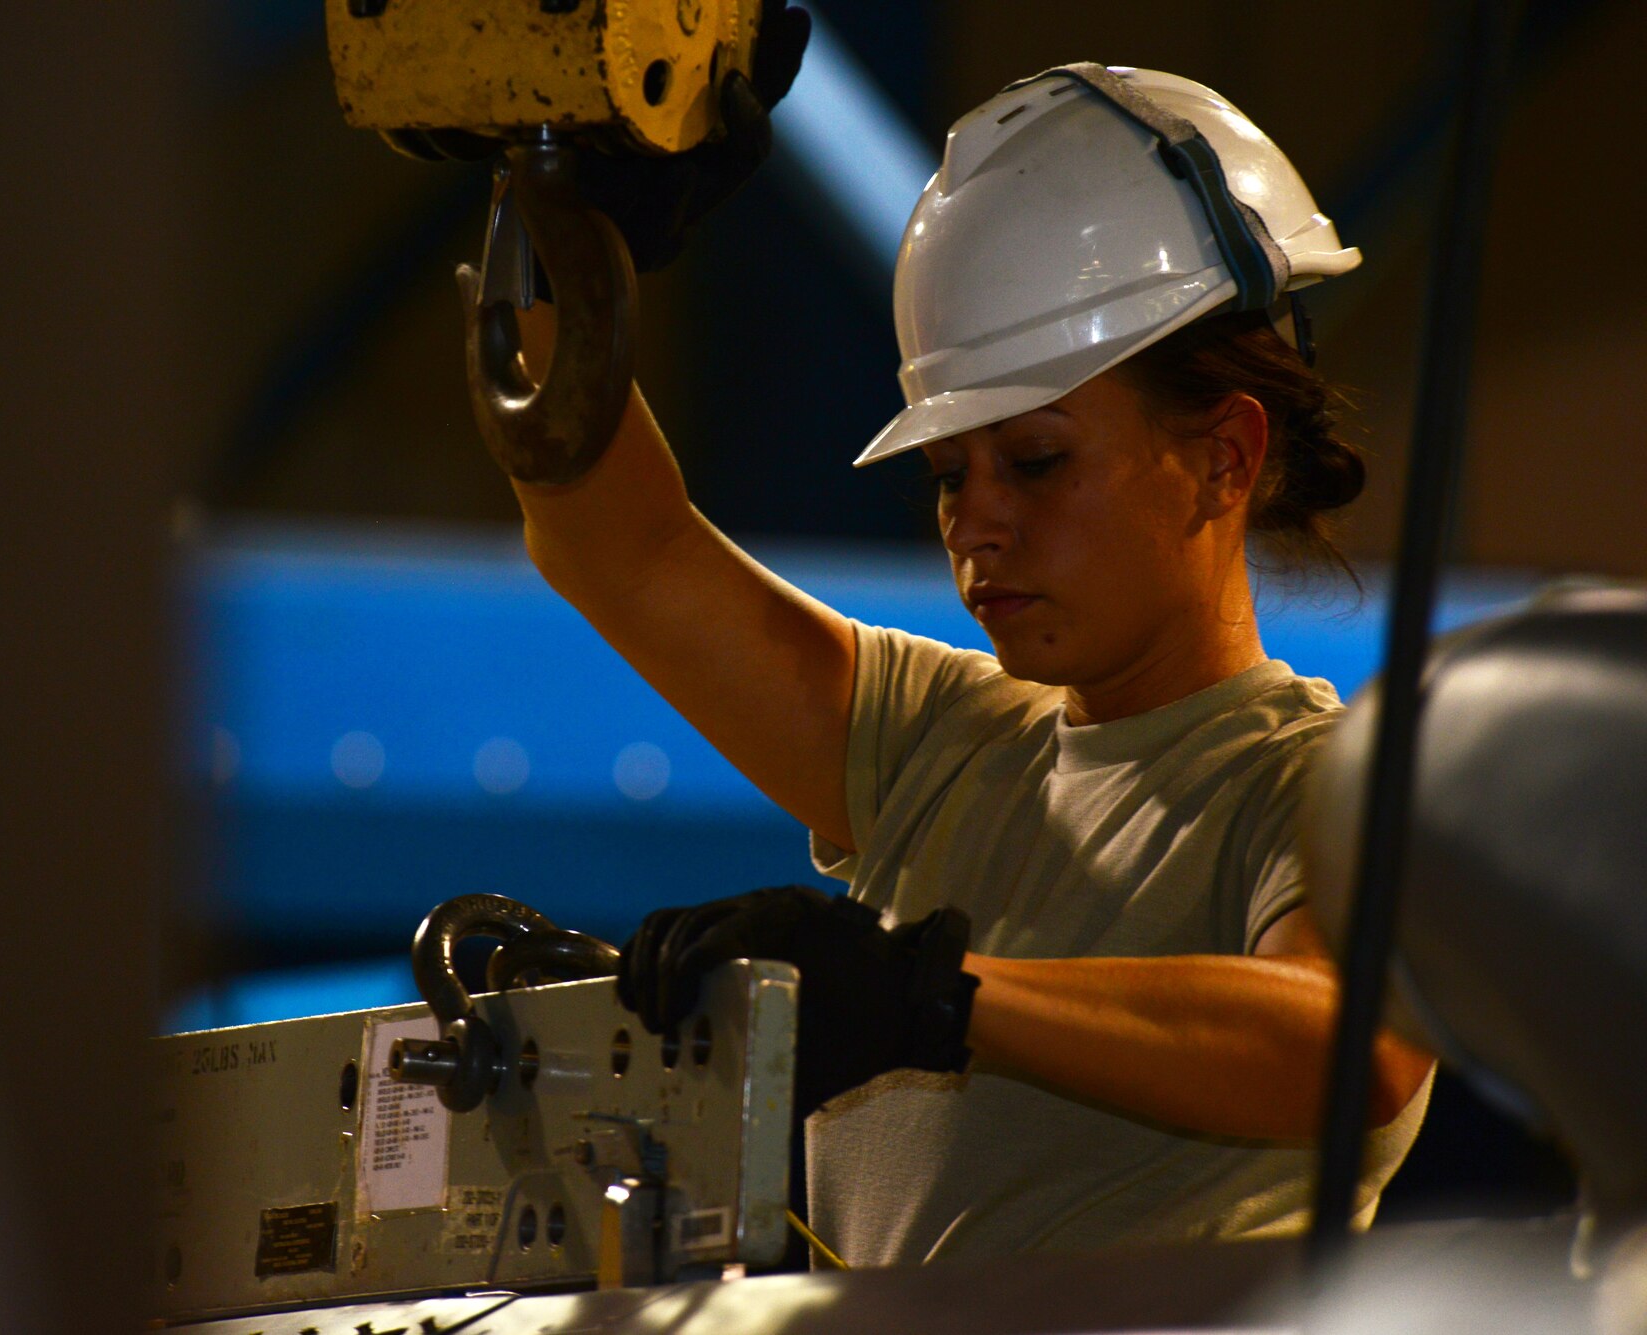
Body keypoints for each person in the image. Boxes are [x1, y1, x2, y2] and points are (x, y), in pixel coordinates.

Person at [467, 59, 1436, 1267]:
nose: (973, 524)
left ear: (1223, 459)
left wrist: (930, 994)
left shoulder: (1333, 782)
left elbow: (1353, 1046)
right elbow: (621, 548)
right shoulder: (934, 743)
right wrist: (549, 221)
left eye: (1033, 462)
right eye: (945, 476)